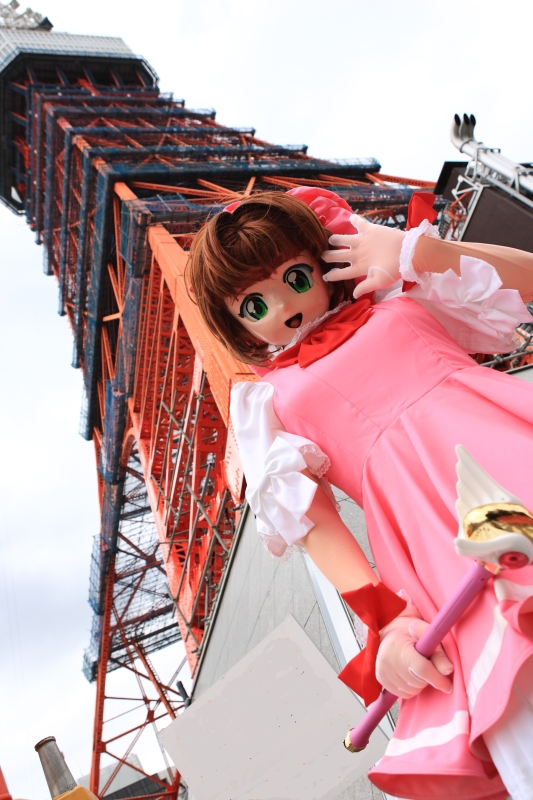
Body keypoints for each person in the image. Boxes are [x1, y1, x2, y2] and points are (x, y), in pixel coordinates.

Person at [187, 187, 533, 800]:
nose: (284, 306)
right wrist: (389, 622)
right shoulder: (270, 401)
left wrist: (418, 253)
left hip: (514, 439)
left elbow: (527, 277)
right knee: (513, 680)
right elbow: (316, 523)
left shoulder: (399, 297)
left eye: (296, 277)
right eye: (254, 304)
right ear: (234, 323)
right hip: (431, 532)